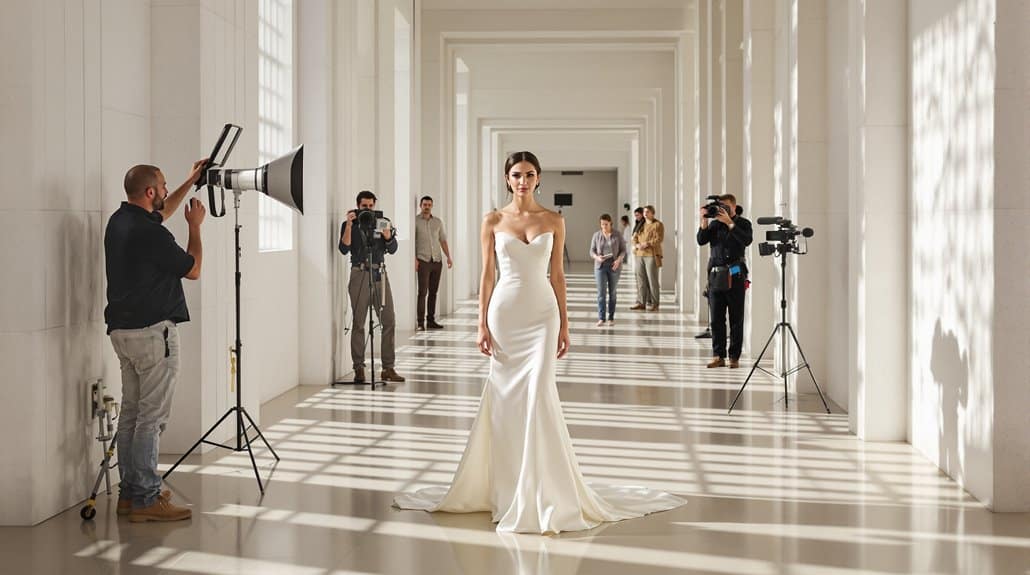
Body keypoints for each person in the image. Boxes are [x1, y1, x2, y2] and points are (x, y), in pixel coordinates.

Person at [394, 151, 685, 534]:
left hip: (543, 314)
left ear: (538, 178)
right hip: (505, 313)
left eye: (530, 175)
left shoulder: (553, 219)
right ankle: (508, 486)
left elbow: (559, 275)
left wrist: (565, 324)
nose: (523, 181)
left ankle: (541, 489)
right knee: (505, 400)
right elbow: (485, 276)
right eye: (517, 175)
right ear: (507, 178)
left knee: (539, 395)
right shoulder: (493, 220)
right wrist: (481, 324)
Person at [104, 160, 207, 522]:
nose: (166, 191)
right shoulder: (152, 234)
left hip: (123, 333)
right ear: (149, 192)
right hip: (153, 334)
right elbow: (193, 269)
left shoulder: (121, 221)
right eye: (162, 186)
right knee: (151, 419)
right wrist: (195, 228)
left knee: (131, 415)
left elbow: (162, 212)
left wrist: (190, 180)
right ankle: (147, 498)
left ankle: (130, 495)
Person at [339, 191, 405, 383]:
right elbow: (343, 249)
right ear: (358, 206)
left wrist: (387, 235)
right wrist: (350, 225)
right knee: (359, 322)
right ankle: (358, 368)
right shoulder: (349, 224)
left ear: (375, 206)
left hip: (380, 273)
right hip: (359, 273)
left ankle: (388, 368)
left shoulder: (383, 221)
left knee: (389, 320)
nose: (367, 210)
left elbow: (392, 249)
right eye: (364, 207)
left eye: (370, 206)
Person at [696, 193, 753, 368]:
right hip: (715, 276)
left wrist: (730, 222)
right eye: (721, 207)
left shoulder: (743, 223)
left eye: (726, 207)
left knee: (736, 318)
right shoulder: (714, 224)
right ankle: (718, 355)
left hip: (735, 274)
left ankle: (734, 357)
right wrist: (703, 221)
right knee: (716, 319)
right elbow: (701, 240)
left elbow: (747, 240)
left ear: (734, 207)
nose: (723, 210)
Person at [414, 195, 453, 330]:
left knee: (433, 292)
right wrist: (414, 259)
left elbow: (442, 240)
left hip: (437, 260)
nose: (427, 207)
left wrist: (448, 257)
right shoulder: (415, 221)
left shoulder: (438, 222)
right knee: (422, 292)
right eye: (424, 205)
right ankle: (420, 323)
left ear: (432, 206)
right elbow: (413, 242)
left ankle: (430, 320)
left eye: (429, 205)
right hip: (423, 260)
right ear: (420, 206)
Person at [589, 214, 627, 326]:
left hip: (614, 266)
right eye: (602, 224)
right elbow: (591, 251)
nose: (604, 226)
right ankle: (601, 318)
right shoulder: (596, 235)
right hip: (600, 266)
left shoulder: (617, 234)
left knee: (612, 292)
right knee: (601, 293)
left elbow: (623, 250)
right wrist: (597, 257)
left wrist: (619, 260)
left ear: (611, 223)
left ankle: (611, 318)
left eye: (606, 224)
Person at [631, 205, 664, 311]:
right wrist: (636, 245)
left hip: (651, 255)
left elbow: (659, 239)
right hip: (639, 255)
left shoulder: (658, 224)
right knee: (640, 280)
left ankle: (655, 303)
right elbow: (634, 238)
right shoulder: (641, 224)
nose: (645, 213)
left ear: (652, 213)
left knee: (652, 280)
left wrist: (647, 244)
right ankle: (641, 302)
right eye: (644, 212)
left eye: (648, 212)